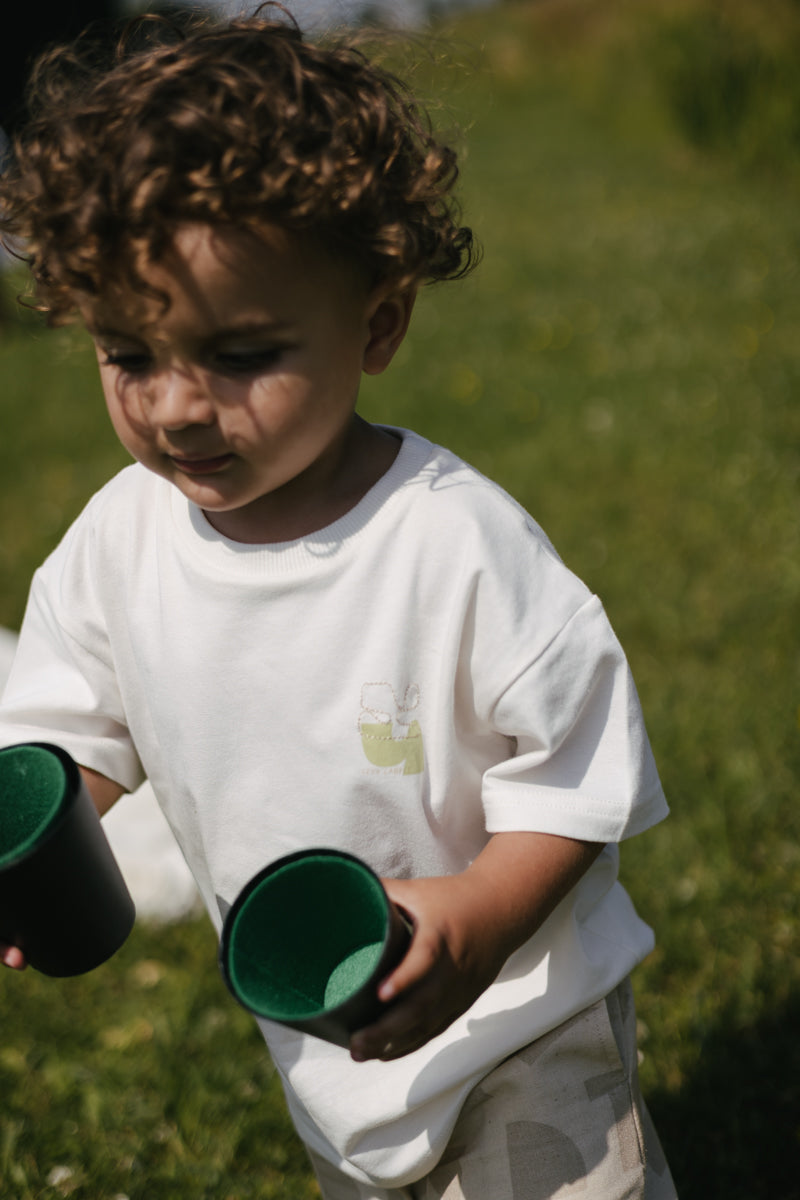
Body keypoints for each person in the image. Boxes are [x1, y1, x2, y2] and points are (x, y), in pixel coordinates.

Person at [0, 11, 677, 1199]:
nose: (176, 408)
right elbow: (65, 735)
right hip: (325, 1038)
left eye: (240, 356)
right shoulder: (122, 541)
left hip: (514, 1025)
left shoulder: (451, 543)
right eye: (129, 354)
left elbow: (579, 776)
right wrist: (34, 855)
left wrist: (475, 919)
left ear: (376, 322)